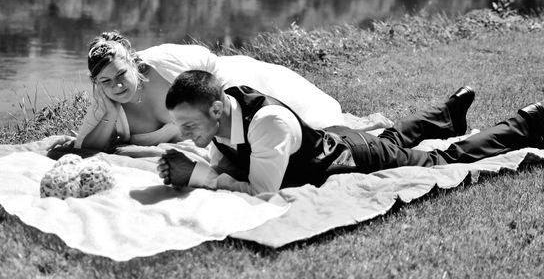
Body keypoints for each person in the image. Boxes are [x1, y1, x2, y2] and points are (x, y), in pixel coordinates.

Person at [157, 70, 544, 196]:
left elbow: (261, 192)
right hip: (333, 138)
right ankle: (446, 114)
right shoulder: (223, 111)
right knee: (391, 138)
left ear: (215, 108)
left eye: (190, 126)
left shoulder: (266, 124)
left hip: (353, 157)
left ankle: (523, 124)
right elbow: (226, 158)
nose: (187, 135)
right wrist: (207, 163)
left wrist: (198, 177)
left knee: (440, 160)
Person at [49, 31, 344, 156]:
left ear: (133, 61)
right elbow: (88, 147)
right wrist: (111, 114)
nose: (117, 86)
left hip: (228, 89)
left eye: (121, 75)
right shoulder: (105, 100)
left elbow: (207, 60)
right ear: (96, 82)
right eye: (105, 81)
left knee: (294, 126)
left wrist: (210, 98)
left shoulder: (162, 62)